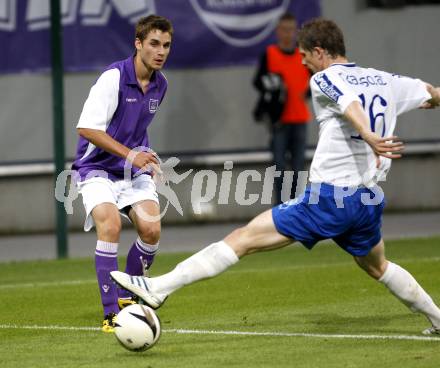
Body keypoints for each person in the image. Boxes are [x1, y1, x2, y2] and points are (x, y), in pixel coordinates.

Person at [111, 18, 440, 335]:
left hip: (330, 199)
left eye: (305, 56)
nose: (303, 63)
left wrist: (366, 132)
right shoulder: (386, 80)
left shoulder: (325, 77)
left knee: (243, 239)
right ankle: (437, 318)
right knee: (377, 266)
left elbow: (349, 101)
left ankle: (158, 287)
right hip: (368, 200)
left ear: (320, 51)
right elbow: (432, 93)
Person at [71, 15, 173, 332]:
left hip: (132, 170)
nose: (161, 51)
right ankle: (110, 312)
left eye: (166, 45)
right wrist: (130, 153)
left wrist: (148, 156)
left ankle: (127, 295)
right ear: (138, 44)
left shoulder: (161, 84)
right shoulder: (112, 78)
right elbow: (86, 128)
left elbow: (135, 129)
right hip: (96, 168)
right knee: (111, 224)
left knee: (151, 230)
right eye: (154, 44)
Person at [253, 13, 312, 204]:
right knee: (279, 168)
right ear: (278, 31)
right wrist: (274, 89)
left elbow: (315, 80)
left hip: (300, 119)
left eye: (291, 29)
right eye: (284, 29)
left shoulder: (303, 55)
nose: (288, 34)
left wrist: (308, 93)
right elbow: (258, 81)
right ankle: (280, 210)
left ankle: (296, 208)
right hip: (279, 121)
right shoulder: (270, 54)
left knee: (297, 170)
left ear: (296, 32)